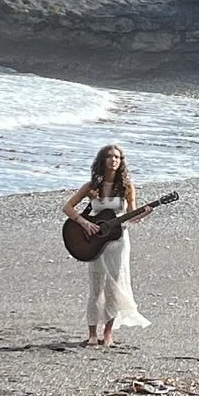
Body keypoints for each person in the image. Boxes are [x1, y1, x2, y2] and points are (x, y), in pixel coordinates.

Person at [63, 144, 152, 346]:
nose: (114, 160)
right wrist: (84, 223)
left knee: (114, 285)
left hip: (118, 241)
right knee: (96, 286)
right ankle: (92, 333)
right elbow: (67, 207)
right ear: (102, 160)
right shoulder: (92, 186)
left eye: (118, 158)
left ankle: (108, 333)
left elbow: (131, 217)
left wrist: (143, 214)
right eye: (110, 157)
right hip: (95, 239)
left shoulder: (127, 187)